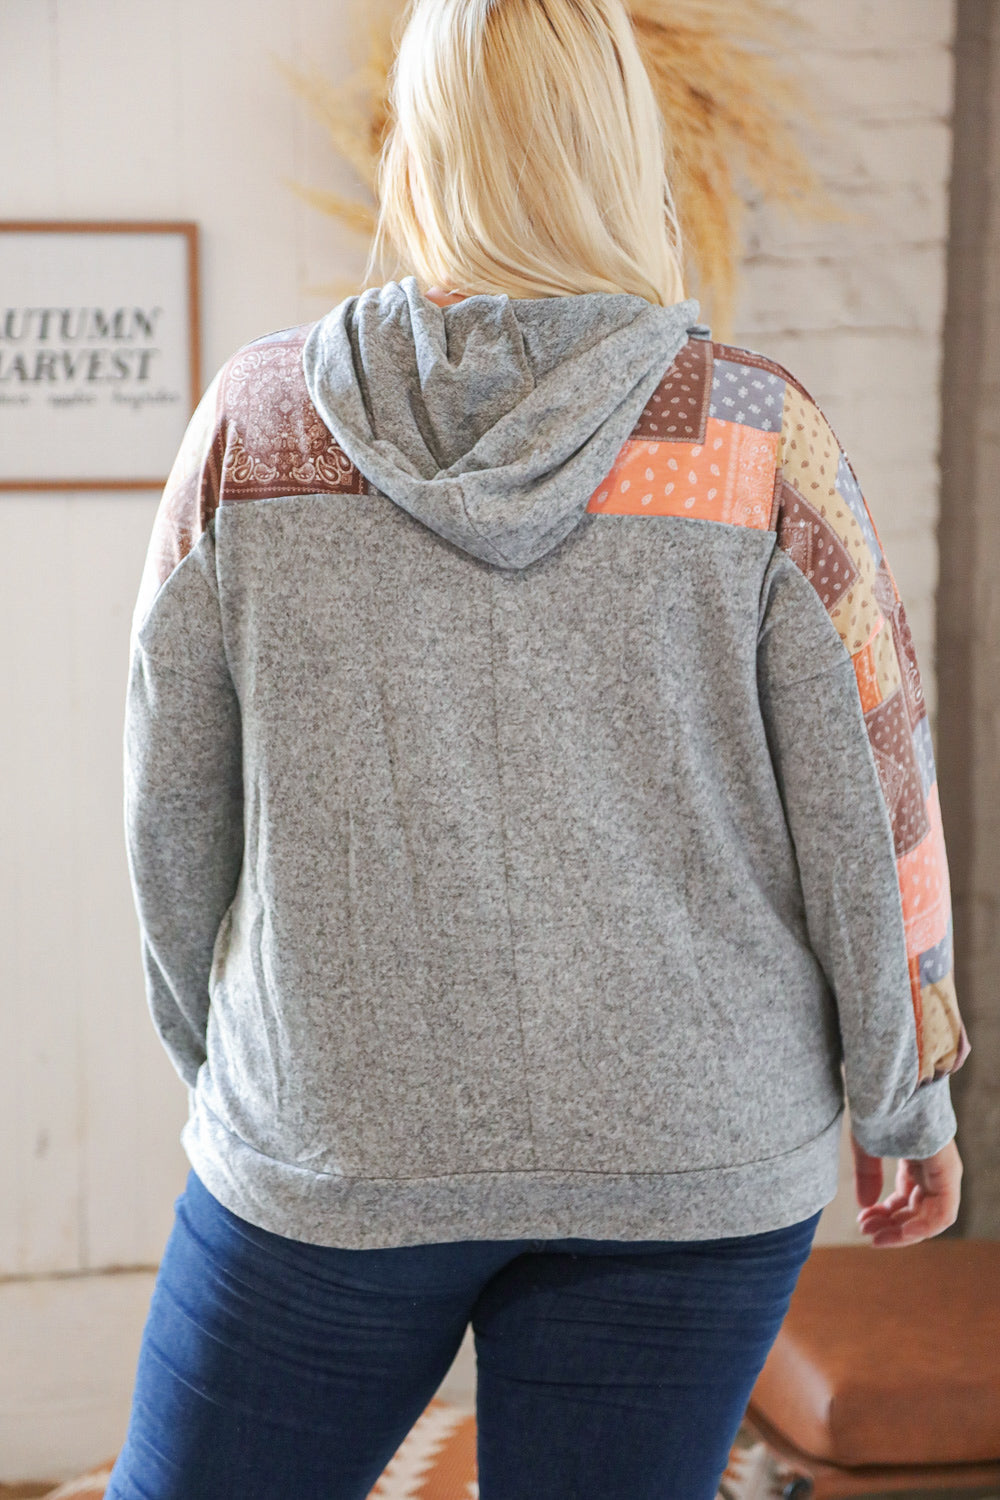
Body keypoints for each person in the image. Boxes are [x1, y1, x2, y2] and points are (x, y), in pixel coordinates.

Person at [109, 0, 970, 1495]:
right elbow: (874, 790)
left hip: (335, 1133)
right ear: (622, 148)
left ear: (417, 148)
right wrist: (907, 1093)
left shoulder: (258, 429)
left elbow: (167, 813)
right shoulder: (756, 439)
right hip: (694, 1144)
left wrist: (248, 1067)